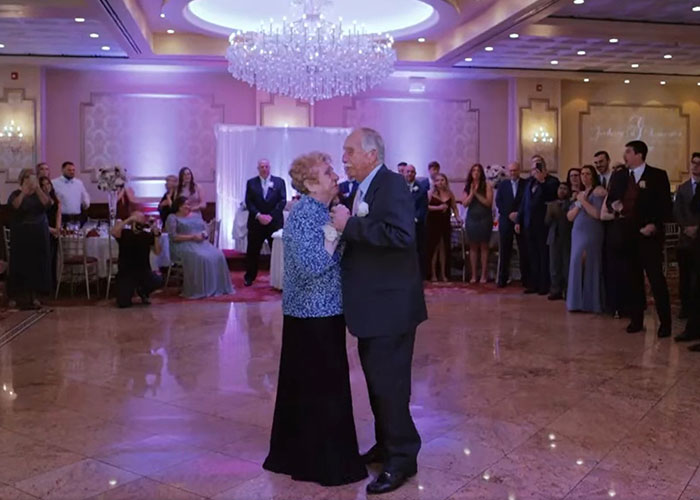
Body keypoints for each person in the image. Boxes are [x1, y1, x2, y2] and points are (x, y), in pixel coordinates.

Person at [331, 127, 426, 495]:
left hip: (392, 307)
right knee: (377, 384)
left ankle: (403, 457)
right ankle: (387, 444)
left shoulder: (392, 185)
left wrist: (350, 225)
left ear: (371, 154)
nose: (344, 158)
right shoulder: (363, 188)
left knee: (391, 385)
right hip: (374, 306)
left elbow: (401, 236)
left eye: (349, 151)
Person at [263, 152, 367, 487]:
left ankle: (299, 454)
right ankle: (324, 463)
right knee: (324, 392)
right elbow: (312, 266)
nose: (335, 176)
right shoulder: (307, 213)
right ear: (309, 183)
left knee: (309, 391)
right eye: (327, 173)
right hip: (314, 315)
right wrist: (338, 228)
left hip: (314, 314)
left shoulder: (317, 211)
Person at [621, 140, 672, 337]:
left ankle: (665, 323)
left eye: (628, 151)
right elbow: (616, 199)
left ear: (639, 154)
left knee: (656, 280)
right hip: (629, 236)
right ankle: (636, 320)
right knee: (633, 280)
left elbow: (666, 206)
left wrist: (655, 226)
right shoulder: (622, 176)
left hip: (650, 236)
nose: (624, 155)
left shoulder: (658, 175)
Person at [165, 197, 233, 299]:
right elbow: (173, 237)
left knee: (218, 254)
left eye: (189, 204)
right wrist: (192, 237)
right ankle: (200, 288)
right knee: (202, 257)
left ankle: (217, 286)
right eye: (185, 204)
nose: (188, 207)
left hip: (200, 243)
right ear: (179, 207)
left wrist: (203, 235)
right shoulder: (172, 218)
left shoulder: (196, 216)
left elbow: (204, 230)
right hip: (182, 244)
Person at [7, 169, 53, 309]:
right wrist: (24, 192)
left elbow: (48, 204)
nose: (31, 181)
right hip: (21, 235)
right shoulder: (15, 194)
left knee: (38, 265)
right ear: (22, 180)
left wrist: (38, 189)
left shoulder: (39, 195)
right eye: (28, 179)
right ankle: (17, 296)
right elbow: (15, 206)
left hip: (38, 234)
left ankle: (36, 296)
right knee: (20, 264)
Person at [516, 156, 559, 294]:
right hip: (529, 224)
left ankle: (544, 285)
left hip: (543, 224)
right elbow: (524, 203)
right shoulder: (529, 183)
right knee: (532, 255)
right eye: (533, 167)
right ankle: (533, 284)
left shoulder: (552, 181)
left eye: (538, 167)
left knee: (543, 255)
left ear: (544, 167)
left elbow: (551, 196)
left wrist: (542, 181)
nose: (535, 170)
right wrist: (518, 220)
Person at [566, 166, 606, 312]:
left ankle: (591, 302)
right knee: (576, 263)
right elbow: (569, 217)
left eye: (588, 174)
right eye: (582, 174)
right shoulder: (580, 193)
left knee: (590, 263)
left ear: (593, 176)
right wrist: (579, 201)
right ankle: (576, 302)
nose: (584, 177)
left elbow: (597, 214)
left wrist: (583, 201)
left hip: (592, 231)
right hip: (577, 231)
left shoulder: (598, 192)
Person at [244, 159, 287, 286]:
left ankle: (280, 278)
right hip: (256, 223)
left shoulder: (279, 182)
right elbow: (249, 202)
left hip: (273, 223)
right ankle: (249, 277)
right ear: (258, 168)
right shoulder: (251, 183)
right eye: (261, 167)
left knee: (278, 250)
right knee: (252, 251)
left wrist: (270, 216)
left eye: (266, 166)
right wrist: (258, 215)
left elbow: (282, 201)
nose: (264, 169)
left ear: (270, 168)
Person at [600, 163, 633, 319]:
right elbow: (602, 215)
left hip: (625, 235)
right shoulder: (611, 196)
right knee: (616, 271)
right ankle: (617, 306)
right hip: (615, 234)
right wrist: (618, 215)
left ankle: (626, 306)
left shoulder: (631, 194)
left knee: (626, 271)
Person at [111, 212, 163, 308]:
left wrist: (156, 236)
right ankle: (128, 291)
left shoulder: (146, 235)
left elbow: (157, 251)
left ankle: (143, 291)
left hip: (143, 271)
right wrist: (129, 219)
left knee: (158, 280)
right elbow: (113, 232)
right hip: (126, 272)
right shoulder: (125, 233)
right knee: (123, 304)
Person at [674, 152, 700, 340]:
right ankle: (686, 308)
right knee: (685, 275)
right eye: (693, 163)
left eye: (699, 164)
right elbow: (677, 212)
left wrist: (697, 229)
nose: (696, 167)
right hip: (685, 239)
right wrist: (686, 228)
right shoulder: (682, 188)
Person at [495, 162, 529, 288]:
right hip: (506, 220)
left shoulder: (526, 184)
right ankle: (502, 278)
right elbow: (499, 202)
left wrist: (518, 215)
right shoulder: (503, 185)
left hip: (521, 221)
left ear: (519, 170)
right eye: (511, 171)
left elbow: (526, 202)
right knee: (505, 250)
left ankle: (526, 279)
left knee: (523, 250)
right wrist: (509, 214)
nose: (513, 173)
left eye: (515, 170)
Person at [463, 163, 494, 284]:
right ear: (471, 173)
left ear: (481, 174)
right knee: (473, 246)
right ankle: (474, 275)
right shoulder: (467, 187)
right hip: (472, 219)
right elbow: (465, 203)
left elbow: (488, 203)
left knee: (484, 246)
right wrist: (471, 193)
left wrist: (476, 193)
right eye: (473, 171)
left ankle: (484, 275)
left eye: (478, 171)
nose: (476, 173)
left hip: (484, 218)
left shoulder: (487, 185)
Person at [427, 173, 461, 282]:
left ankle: (443, 274)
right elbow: (426, 207)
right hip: (433, 223)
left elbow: (454, 207)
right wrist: (438, 207)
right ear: (435, 182)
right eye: (438, 180)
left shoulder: (450, 193)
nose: (440, 182)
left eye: (442, 180)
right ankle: (433, 274)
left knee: (444, 249)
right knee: (434, 249)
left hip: (445, 223)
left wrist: (457, 217)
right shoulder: (430, 193)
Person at [545, 182, 572, 301]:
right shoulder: (551, 204)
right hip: (554, 236)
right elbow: (546, 222)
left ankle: (567, 290)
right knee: (554, 265)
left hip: (567, 236)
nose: (562, 191)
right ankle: (555, 289)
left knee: (566, 264)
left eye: (565, 189)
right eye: (560, 188)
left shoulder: (571, 203)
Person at [403, 164, 429, 279]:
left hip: (416, 225)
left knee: (418, 250)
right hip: (402, 225)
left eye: (412, 172)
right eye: (407, 172)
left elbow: (423, 208)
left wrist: (415, 219)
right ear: (404, 173)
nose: (409, 174)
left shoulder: (422, 189)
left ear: (415, 174)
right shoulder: (398, 188)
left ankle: (418, 275)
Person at [39, 176, 61, 288]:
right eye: (43, 185)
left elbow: (58, 214)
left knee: (53, 258)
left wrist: (57, 228)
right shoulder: (39, 201)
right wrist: (50, 230)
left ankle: (53, 283)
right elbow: (38, 219)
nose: (46, 187)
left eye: (48, 184)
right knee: (45, 258)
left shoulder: (55, 199)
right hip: (42, 231)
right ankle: (44, 284)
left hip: (54, 231)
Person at [52, 161, 90, 225]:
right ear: (62, 170)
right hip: (61, 217)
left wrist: (86, 202)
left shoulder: (79, 183)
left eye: (73, 170)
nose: (72, 172)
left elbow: (85, 195)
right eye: (69, 170)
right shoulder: (54, 183)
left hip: (77, 217)